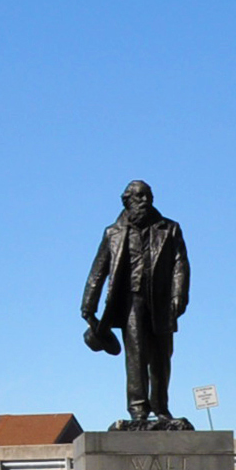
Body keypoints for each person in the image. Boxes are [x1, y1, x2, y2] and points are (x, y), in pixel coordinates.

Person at [81, 180, 190, 430]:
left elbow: (180, 265)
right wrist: (88, 304)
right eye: (139, 197)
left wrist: (178, 297)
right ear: (126, 201)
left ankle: (161, 408)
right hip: (131, 302)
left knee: (162, 357)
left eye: (148, 196)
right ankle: (139, 410)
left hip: (161, 302)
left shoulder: (169, 229)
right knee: (136, 356)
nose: (145, 201)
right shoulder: (113, 233)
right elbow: (98, 270)